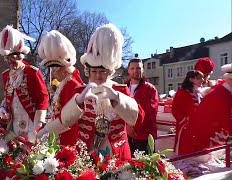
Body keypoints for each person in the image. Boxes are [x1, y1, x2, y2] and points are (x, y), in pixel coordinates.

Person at [60, 23, 145, 161]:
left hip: (117, 155)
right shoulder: (79, 91)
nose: (98, 76)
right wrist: (78, 101)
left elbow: (138, 119)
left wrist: (117, 98)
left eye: (103, 71)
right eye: (94, 71)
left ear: (110, 71)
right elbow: (64, 121)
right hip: (85, 155)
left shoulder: (120, 90)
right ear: (88, 71)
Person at [0, 25, 49, 143]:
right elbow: (8, 95)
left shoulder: (32, 71)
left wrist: (39, 123)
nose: (14, 59)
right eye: (11, 56)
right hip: (14, 123)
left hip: (32, 121)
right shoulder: (5, 75)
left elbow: (43, 97)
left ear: (22, 54)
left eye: (17, 55)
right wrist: (3, 107)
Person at [36, 30, 83, 146]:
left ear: (62, 67)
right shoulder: (64, 83)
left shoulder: (72, 85)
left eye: (54, 67)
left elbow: (67, 120)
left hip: (68, 138)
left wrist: (45, 131)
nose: (53, 71)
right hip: (59, 135)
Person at [178, 63, 232, 155]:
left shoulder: (223, 91)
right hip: (205, 134)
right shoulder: (222, 93)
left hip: (210, 133)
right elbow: (224, 118)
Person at [125, 58, 159, 154]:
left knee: (144, 166)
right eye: (132, 68)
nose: (136, 71)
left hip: (144, 135)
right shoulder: (123, 87)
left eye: (138, 68)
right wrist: (126, 127)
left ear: (143, 70)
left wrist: (132, 127)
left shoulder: (150, 89)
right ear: (128, 70)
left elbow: (150, 112)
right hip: (126, 134)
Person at [171, 70, 204, 153]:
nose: (202, 80)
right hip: (185, 127)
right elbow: (175, 109)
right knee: (184, 149)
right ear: (191, 79)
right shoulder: (182, 92)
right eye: (199, 78)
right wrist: (184, 120)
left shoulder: (198, 93)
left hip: (197, 127)